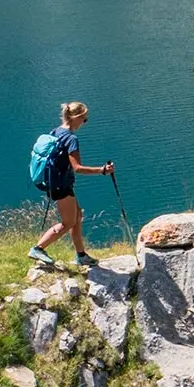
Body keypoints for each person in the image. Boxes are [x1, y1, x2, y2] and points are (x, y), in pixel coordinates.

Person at [29, 101, 112, 269]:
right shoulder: (72, 139)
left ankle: (81, 255)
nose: (84, 122)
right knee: (67, 222)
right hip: (61, 185)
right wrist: (102, 170)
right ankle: (38, 248)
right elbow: (78, 168)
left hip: (55, 182)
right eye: (85, 119)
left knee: (77, 216)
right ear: (76, 118)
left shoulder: (56, 131)